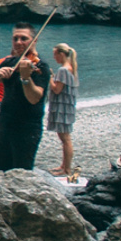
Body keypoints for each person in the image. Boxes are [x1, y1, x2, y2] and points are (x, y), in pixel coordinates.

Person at [0, 25, 48, 173]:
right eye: (15, 38)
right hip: (5, 124)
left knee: (21, 172)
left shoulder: (41, 66)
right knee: (2, 168)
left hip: (27, 127)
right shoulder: (10, 62)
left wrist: (26, 78)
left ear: (34, 40)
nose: (18, 42)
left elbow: (34, 98)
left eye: (24, 38)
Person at [45, 44, 80, 180]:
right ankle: (64, 165)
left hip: (63, 107)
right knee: (64, 137)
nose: (54, 57)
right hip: (67, 106)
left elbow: (57, 89)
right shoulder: (71, 68)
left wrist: (49, 78)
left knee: (65, 138)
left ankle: (66, 169)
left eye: (55, 54)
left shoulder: (63, 70)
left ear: (61, 54)